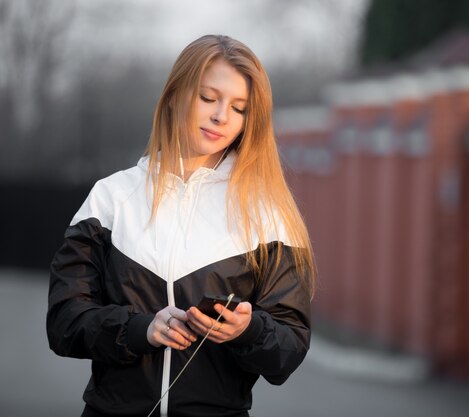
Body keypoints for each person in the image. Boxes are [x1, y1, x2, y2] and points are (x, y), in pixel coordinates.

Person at [46, 34, 315, 417]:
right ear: (174, 96)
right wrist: (141, 330)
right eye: (208, 98)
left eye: (239, 108)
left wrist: (248, 330)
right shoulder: (109, 199)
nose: (221, 115)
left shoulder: (268, 214)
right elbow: (64, 321)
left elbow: (289, 350)